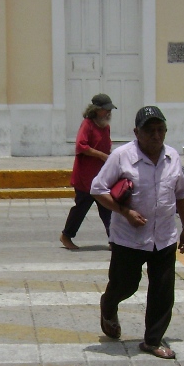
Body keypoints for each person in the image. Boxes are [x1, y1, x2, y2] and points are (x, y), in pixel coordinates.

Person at [91, 106, 184, 360]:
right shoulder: (121, 156)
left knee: (163, 291)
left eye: (160, 130)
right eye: (149, 131)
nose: (156, 136)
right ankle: (109, 304)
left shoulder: (172, 157)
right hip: (129, 237)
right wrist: (125, 212)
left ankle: (152, 340)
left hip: (165, 236)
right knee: (125, 285)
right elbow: (97, 188)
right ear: (137, 132)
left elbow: (181, 194)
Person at [61, 93, 116, 250]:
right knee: (81, 208)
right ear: (97, 110)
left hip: (101, 176)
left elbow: (106, 147)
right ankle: (66, 236)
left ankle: (114, 240)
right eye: (106, 110)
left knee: (107, 208)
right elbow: (81, 146)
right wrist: (101, 155)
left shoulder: (105, 127)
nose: (109, 113)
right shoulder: (87, 124)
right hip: (85, 178)